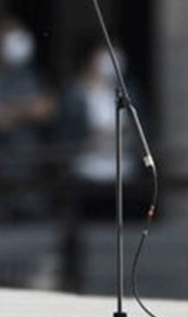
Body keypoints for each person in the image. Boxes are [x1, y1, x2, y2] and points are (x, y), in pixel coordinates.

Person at [56, 36, 145, 219]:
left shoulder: (129, 92)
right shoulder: (74, 94)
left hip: (124, 175)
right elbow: (66, 135)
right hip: (88, 176)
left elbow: (140, 129)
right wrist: (93, 138)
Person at [0, 15, 56, 219]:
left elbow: (46, 110)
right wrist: (27, 110)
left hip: (31, 163)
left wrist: (13, 110)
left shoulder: (32, 76)